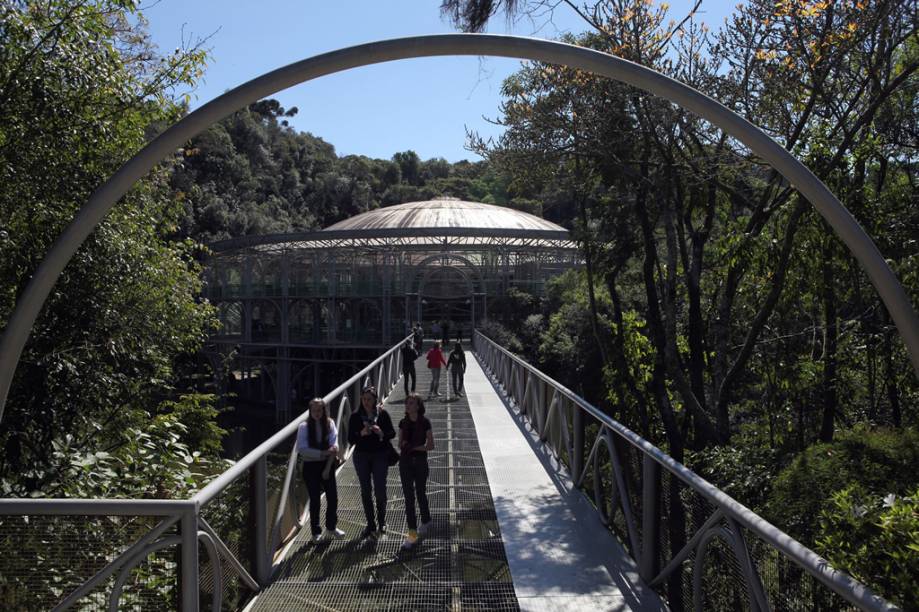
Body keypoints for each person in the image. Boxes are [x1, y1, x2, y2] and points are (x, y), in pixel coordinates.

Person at [348, 386, 396, 538]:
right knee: (366, 490)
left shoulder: (382, 414)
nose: (366, 402)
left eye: (369, 399)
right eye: (364, 399)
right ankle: (371, 524)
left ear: (375, 399)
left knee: (380, 490)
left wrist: (381, 432)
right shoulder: (355, 416)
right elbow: (350, 439)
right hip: (361, 455)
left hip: (379, 455)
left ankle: (381, 521)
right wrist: (361, 433)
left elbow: (392, 433)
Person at [296, 398, 345, 543]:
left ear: (324, 411)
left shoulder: (330, 424)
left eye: (320, 410)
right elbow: (302, 450)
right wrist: (323, 453)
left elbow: (334, 445)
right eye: (314, 410)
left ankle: (331, 527)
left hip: (326, 464)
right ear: (310, 411)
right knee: (315, 499)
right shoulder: (303, 427)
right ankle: (316, 532)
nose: (317, 413)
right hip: (311, 466)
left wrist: (329, 458)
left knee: (332, 497)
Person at [398, 393, 434, 550]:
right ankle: (412, 535)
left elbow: (431, 445)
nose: (408, 406)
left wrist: (415, 447)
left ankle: (426, 521)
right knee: (408, 498)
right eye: (407, 403)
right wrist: (407, 446)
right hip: (405, 462)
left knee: (420, 493)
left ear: (418, 406)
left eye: (411, 403)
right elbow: (400, 444)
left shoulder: (425, 422)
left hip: (420, 462)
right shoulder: (402, 422)